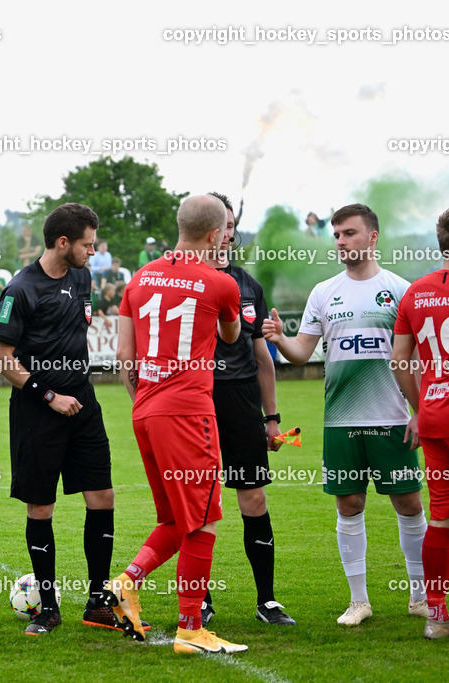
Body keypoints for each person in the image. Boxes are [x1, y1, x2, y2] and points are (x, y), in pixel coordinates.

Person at [262, 203, 427, 626]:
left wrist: (420, 411)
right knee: (349, 504)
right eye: (336, 235)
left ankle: (419, 595)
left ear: (372, 237)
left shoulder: (401, 290)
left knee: (408, 503)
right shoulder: (324, 292)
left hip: (392, 417)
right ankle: (359, 602)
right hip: (341, 420)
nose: (340, 241)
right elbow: (302, 354)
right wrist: (281, 339)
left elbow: (413, 359)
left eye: (349, 233)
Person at [105, 194, 246, 654]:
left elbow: (124, 356)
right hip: (187, 414)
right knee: (203, 522)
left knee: (173, 518)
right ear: (215, 234)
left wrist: (144, 401)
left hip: (145, 410)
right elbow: (231, 336)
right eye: (225, 230)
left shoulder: (139, 279)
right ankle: (190, 629)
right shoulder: (221, 283)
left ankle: (126, 583)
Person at [0, 202, 118, 637]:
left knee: (102, 495)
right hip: (37, 413)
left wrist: (71, 394)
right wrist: (49, 396)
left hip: (83, 404)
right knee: (41, 505)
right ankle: (47, 609)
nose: (93, 250)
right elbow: (2, 361)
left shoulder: (82, 275)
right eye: (87, 243)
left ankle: (99, 601)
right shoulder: (20, 290)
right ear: (62, 242)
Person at [200, 192, 294, 627]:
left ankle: (267, 601)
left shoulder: (248, 285)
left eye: (234, 226)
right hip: (194, 399)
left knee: (253, 497)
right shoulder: (183, 280)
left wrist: (271, 418)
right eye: (223, 226)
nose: (229, 234)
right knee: (200, 503)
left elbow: (262, 359)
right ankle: (198, 599)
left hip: (241, 402)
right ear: (207, 230)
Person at [391, 206, 449, 639]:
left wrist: (421, 411)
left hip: (435, 418)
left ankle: (438, 618)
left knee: (443, 518)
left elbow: (399, 361)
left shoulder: (414, 293)